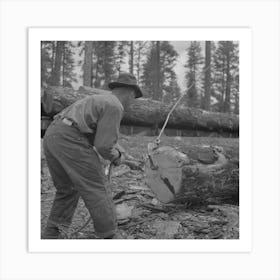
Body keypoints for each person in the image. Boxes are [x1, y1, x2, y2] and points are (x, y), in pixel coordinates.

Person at [42, 72, 143, 239]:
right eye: (134, 97)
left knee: (67, 190)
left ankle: (53, 235)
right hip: (70, 140)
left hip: (53, 135)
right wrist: (117, 158)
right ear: (130, 92)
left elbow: (105, 138)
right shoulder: (115, 106)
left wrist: (127, 158)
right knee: (98, 188)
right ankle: (108, 235)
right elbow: (103, 146)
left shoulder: (98, 100)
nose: (132, 102)